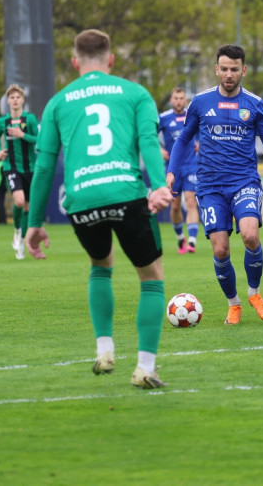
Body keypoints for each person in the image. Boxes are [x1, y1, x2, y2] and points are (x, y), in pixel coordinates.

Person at [25, 29, 174, 389]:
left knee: (100, 265)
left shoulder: (58, 102)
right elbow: (148, 142)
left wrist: (34, 223)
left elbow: (44, 168)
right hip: (125, 192)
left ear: (75, 62)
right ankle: (145, 368)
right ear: (111, 60)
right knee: (151, 278)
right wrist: (158, 184)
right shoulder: (136, 93)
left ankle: (105, 351)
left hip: (81, 200)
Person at [166, 44, 263, 326]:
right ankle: (233, 304)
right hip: (210, 187)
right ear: (216, 69)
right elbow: (183, 139)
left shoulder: (255, 104)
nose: (229, 74)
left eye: (234, 69)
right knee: (220, 249)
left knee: (249, 235)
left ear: (243, 70)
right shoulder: (199, 102)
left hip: (244, 181)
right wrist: (172, 172)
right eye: (224, 68)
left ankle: (254, 293)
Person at [0, 84, 39, 259]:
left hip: (30, 168)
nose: (15, 100)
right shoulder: (2, 121)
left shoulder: (31, 119)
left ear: (23, 100)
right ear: (8, 101)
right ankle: (17, 230)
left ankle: (20, 239)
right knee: (19, 201)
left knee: (27, 206)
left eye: (18, 97)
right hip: (10, 167)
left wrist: (22, 135)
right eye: (12, 98)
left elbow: (38, 139)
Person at [159, 87, 200, 254]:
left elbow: (205, 132)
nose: (178, 101)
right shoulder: (163, 118)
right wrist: (158, 149)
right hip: (172, 168)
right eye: (175, 98)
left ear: (186, 100)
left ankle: (192, 241)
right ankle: (180, 238)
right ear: (171, 100)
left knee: (191, 201)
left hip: (191, 165)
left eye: (181, 98)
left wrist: (200, 143)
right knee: (175, 206)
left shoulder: (192, 115)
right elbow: (149, 135)